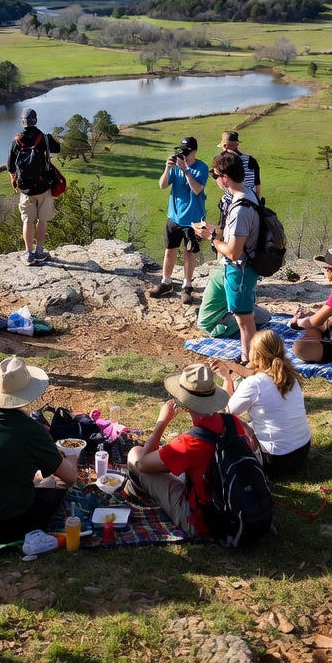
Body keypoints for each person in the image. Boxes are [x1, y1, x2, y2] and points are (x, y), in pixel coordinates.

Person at [0, 356, 78, 543]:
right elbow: (70, 477)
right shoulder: (32, 430)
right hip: (9, 526)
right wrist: (72, 460)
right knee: (57, 482)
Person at [125, 363, 249, 538]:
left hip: (203, 521)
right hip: (238, 504)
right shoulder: (232, 422)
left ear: (184, 403)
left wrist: (161, 423)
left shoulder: (189, 442)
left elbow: (143, 464)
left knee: (134, 454)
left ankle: (136, 490)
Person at [214, 330, 311, 477]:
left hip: (276, 460)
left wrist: (227, 380)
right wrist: (233, 367)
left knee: (231, 425)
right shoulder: (291, 377)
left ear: (256, 356)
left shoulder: (255, 383)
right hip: (302, 450)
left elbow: (228, 412)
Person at [194, 149, 260, 363]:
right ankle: (249, 356)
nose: (215, 180)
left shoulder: (239, 208)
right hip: (248, 266)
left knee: (243, 319)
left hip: (239, 269)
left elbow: (233, 251)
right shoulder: (250, 195)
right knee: (246, 317)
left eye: (215, 176)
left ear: (225, 177)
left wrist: (209, 238)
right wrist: (213, 231)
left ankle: (246, 359)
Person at [150, 136, 208, 303]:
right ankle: (166, 282)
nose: (183, 155)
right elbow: (162, 185)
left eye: (187, 151)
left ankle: (187, 286)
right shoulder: (175, 167)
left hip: (194, 219)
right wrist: (167, 169)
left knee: (189, 252)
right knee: (170, 250)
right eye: (182, 151)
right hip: (174, 217)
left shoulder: (201, 168)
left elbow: (197, 190)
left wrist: (185, 170)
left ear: (194, 151)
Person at [7, 107, 62, 266]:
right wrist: (50, 138)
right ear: (35, 120)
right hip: (43, 186)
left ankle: (29, 254)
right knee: (42, 221)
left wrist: (14, 181)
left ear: (22, 121)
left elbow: (10, 166)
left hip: (26, 189)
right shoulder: (43, 138)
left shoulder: (17, 140)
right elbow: (57, 149)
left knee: (27, 221)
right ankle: (40, 251)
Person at [216, 130, 261, 232]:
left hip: (231, 205)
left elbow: (223, 185)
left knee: (227, 235)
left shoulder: (225, 162)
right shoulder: (251, 160)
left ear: (226, 146)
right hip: (252, 202)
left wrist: (217, 176)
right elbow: (257, 186)